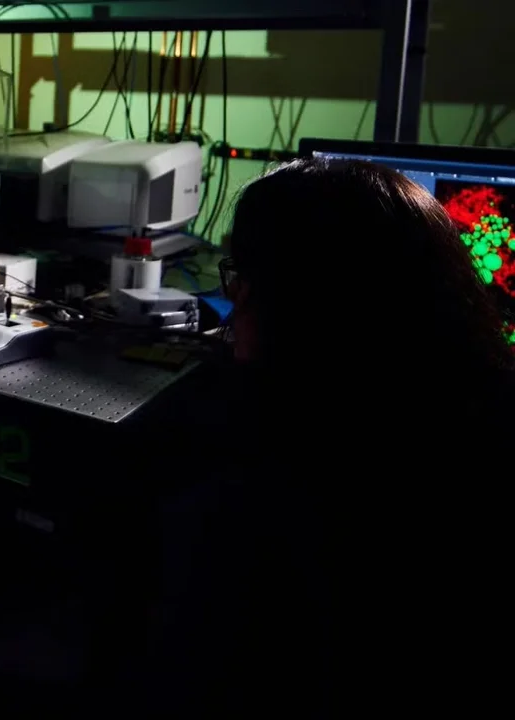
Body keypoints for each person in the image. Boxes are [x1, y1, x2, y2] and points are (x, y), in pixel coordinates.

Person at [139, 158, 512, 716]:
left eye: (244, 278)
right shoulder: (481, 425)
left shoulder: (252, 509)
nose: (235, 303)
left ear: (296, 304)